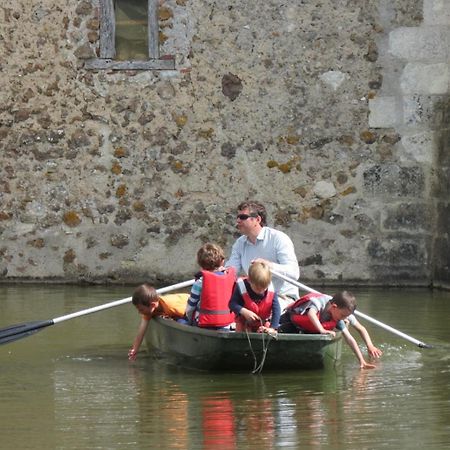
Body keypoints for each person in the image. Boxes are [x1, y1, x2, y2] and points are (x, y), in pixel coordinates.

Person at [225, 201, 300, 309]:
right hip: (254, 298)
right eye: (238, 217)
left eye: (242, 217)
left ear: (257, 219)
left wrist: (268, 266)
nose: (238, 221)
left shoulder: (279, 238)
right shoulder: (240, 243)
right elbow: (232, 269)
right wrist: (220, 273)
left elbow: (294, 273)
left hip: (283, 298)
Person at [280, 291, 379, 369]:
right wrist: (322, 330)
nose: (344, 318)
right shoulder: (320, 302)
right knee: (278, 328)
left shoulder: (339, 317)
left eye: (346, 316)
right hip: (291, 321)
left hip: (310, 329)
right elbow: (311, 314)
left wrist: (362, 361)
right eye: (343, 315)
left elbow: (350, 339)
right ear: (334, 307)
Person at [128, 283, 189, 361]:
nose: (139, 312)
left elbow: (191, 313)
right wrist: (135, 349)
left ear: (152, 305)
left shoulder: (171, 307)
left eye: (141, 310)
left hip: (188, 305)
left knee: (183, 321)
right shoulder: (149, 310)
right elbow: (141, 330)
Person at [185, 242, 236, 329]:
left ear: (200, 263)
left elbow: (190, 307)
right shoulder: (231, 279)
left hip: (204, 325)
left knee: (181, 321)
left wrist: (188, 319)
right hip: (227, 324)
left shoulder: (200, 283)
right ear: (222, 261)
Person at [229, 261, 281, 335]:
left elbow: (277, 310)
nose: (261, 291)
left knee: (268, 332)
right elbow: (232, 304)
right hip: (245, 323)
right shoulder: (241, 286)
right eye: (257, 288)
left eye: (264, 288)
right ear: (249, 281)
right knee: (242, 332)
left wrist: (272, 328)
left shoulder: (271, 290)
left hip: (263, 324)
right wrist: (244, 311)